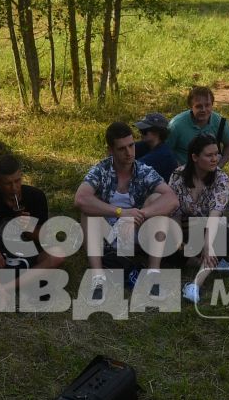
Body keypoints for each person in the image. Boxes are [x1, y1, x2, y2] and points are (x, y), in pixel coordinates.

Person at [74, 121, 178, 290]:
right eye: (122, 148)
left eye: (131, 145)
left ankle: (153, 272)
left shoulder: (143, 170)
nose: (129, 152)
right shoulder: (101, 170)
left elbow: (172, 199)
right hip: (106, 236)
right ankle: (97, 275)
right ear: (110, 151)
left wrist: (141, 213)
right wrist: (120, 212)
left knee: (157, 198)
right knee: (87, 211)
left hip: (135, 231)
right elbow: (80, 199)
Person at [0, 153, 65, 271]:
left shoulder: (35, 196)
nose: (14, 188)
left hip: (31, 255)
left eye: (17, 181)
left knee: (58, 254)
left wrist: (29, 228)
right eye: (8, 183)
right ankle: (1, 283)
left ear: (21, 176)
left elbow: (44, 237)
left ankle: (6, 286)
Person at [172, 134, 229, 304]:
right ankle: (213, 263)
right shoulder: (177, 177)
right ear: (194, 157)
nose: (215, 159)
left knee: (222, 234)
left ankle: (194, 285)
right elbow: (175, 213)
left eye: (217, 154)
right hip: (185, 230)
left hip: (211, 230)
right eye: (209, 155)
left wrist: (208, 245)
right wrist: (178, 241)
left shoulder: (221, 178)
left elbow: (215, 216)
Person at [167, 85, 229, 159]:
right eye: (199, 106)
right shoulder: (176, 125)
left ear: (212, 105)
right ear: (191, 107)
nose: (203, 110)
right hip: (183, 168)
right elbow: (166, 151)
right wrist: (179, 168)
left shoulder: (221, 123)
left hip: (211, 168)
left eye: (207, 105)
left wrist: (220, 166)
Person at [132, 113, 179, 182]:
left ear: (157, 132)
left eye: (144, 131)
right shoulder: (146, 145)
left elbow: (132, 169)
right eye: (140, 130)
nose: (140, 133)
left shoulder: (163, 155)